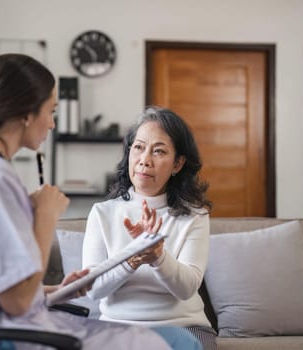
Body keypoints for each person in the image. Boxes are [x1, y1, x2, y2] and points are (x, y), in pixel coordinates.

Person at [0, 54, 201, 350]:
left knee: (182, 340)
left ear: (177, 163)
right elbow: (16, 302)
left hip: (0, 327)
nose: (53, 124)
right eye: (51, 110)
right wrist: (45, 216)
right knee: (180, 345)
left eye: (158, 152)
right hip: (2, 338)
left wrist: (57, 291)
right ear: (27, 113)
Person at [82, 106, 216, 350]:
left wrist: (157, 256)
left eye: (159, 151)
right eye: (139, 147)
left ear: (177, 164)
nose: (145, 160)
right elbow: (93, 288)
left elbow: (186, 288)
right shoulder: (102, 213)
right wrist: (132, 258)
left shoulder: (194, 216)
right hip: (117, 325)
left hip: (183, 326)